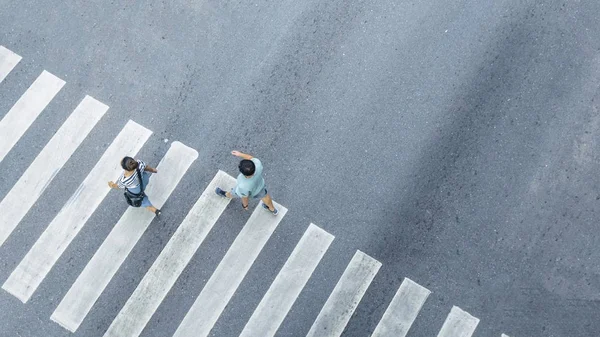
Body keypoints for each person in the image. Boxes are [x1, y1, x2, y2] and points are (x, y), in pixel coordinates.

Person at [216, 150, 278, 215]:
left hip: (250, 192)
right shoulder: (258, 165)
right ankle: (273, 209)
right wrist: (240, 154)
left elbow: (245, 197)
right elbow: (250, 157)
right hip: (260, 186)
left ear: (243, 173)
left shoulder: (243, 185)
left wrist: (245, 205)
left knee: (233, 193)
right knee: (265, 196)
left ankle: (225, 194)